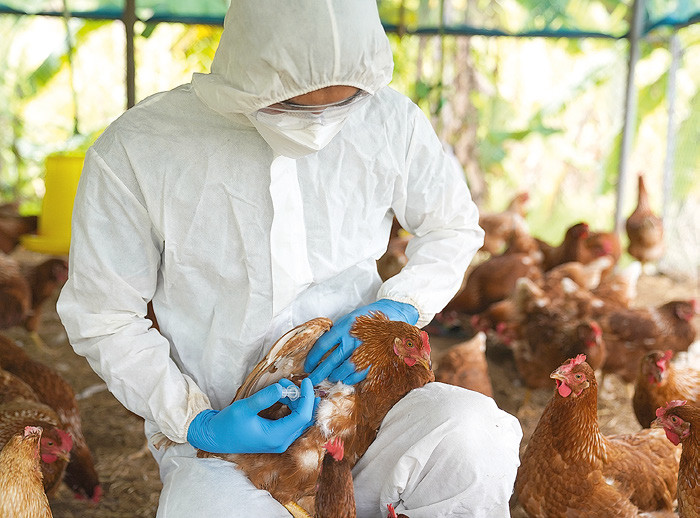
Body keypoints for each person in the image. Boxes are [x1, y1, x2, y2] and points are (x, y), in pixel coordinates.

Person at [57, 0, 522, 516]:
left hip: (366, 412)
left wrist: (402, 305)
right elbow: (104, 314)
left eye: (344, 103)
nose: (319, 124)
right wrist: (196, 420)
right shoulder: (140, 149)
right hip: (232, 440)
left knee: (474, 434)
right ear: (248, 77)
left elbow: (452, 226)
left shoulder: (392, 122)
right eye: (293, 106)